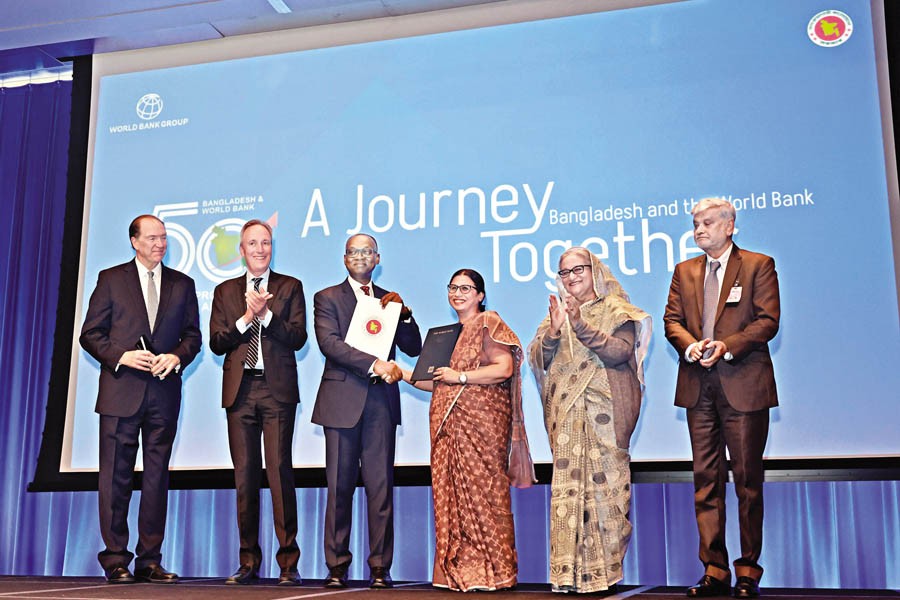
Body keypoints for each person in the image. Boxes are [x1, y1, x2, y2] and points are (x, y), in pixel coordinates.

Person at [664, 197, 780, 599]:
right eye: (695, 223)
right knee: (705, 482)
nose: (699, 229)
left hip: (743, 384)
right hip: (699, 386)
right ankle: (714, 568)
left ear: (730, 226)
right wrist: (690, 346)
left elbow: (767, 321)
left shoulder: (757, 265)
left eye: (708, 222)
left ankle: (747, 569)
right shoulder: (684, 271)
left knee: (747, 482)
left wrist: (726, 346)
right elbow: (672, 321)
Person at [79, 214, 201, 584]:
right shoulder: (111, 279)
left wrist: (177, 356)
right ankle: (116, 558)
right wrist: (122, 356)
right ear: (134, 241)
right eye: (151, 238)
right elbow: (90, 334)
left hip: (163, 394)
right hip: (121, 394)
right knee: (115, 479)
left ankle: (150, 560)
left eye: (163, 238)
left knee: (155, 479)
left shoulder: (183, 284)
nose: (159, 244)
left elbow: (193, 336)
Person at [526, 248, 651, 595]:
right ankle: (568, 576)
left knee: (607, 494)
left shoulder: (617, 310)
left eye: (577, 269)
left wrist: (579, 325)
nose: (571, 277)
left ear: (594, 269)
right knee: (567, 495)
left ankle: (604, 576)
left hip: (606, 417)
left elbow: (620, 352)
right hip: (567, 420)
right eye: (564, 272)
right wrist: (553, 332)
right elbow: (537, 358)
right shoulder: (556, 315)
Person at [400, 268, 533, 592]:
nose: (458, 293)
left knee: (485, 495)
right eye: (453, 288)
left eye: (465, 288)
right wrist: (401, 372)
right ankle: (457, 570)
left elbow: (503, 368)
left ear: (480, 295)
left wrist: (459, 376)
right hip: (449, 426)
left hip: (481, 425)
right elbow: (435, 381)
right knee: (453, 498)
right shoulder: (445, 335)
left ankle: (495, 572)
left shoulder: (490, 323)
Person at [311, 233, 422, 589]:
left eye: (367, 251)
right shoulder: (326, 297)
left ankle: (379, 568)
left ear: (377, 258)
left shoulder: (389, 299)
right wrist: (376, 363)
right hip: (341, 402)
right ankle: (337, 566)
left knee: (380, 489)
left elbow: (414, 347)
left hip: (379, 405)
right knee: (339, 489)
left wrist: (403, 315)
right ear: (345, 259)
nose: (360, 257)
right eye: (354, 251)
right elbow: (330, 345)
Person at [209, 219, 308, 586]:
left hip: (277, 389)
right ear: (241, 249)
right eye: (253, 243)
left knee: (280, 472)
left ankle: (288, 564)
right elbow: (217, 342)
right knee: (245, 476)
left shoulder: (289, 287)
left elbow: (298, 337)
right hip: (240, 391)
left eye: (265, 242)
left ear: (272, 247)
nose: (260, 249)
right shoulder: (224, 291)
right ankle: (248, 561)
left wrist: (266, 317)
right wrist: (246, 318)